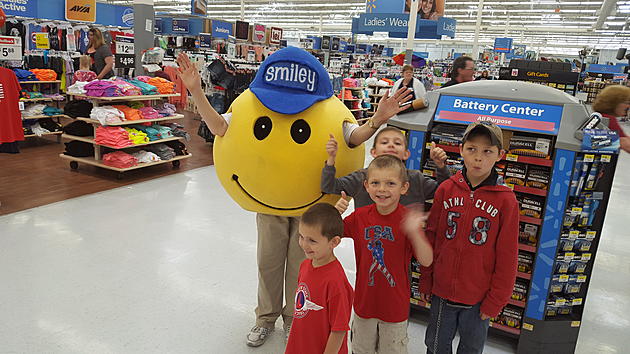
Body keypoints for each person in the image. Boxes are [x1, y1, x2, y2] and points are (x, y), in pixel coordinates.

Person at [176, 50, 413, 348]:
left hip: (310, 208)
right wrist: (196, 90)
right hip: (268, 202)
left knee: (304, 264)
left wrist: (377, 119)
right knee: (269, 262)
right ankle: (266, 317)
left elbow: (354, 136)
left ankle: (293, 317)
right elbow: (219, 127)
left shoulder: (330, 110)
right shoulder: (250, 105)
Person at [420, 121, 519, 354]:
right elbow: (432, 238)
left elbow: (508, 256)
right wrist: (426, 278)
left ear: (500, 155)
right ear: (461, 149)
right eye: (472, 149)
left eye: (488, 151)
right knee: (435, 345)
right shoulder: (446, 189)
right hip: (442, 292)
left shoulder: (506, 201)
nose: (478, 158)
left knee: (471, 348)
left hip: (479, 299)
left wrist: (497, 299)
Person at [338, 155, 434, 354]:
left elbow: (427, 260)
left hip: (395, 308)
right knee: (360, 350)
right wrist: (335, 213)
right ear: (366, 186)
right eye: (375, 183)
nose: (382, 189)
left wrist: (415, 233)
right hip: (364, 305)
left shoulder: (408, 219)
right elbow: (330, 234)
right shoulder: (359, 217)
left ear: (404, 187)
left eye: (390, 183)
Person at [323, 126, 448, 212]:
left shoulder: (416, 179)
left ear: (406, 154)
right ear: (374, 152)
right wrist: (331, 158)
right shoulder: (361, 177)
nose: (391, 145)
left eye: (397, 143)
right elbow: (329, 186)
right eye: (384, 142)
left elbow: (445, 193)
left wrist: (440, 166)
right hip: (368, 245)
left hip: (406, 247)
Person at [285, 203, 354, 354]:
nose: (304, 244)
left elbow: (339, 330)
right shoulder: (305, 265)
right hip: (300, 344)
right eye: (301, 237)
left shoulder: (335, 282)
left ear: (334, 242)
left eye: (312, 241)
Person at [592, 85, 630, 153]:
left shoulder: (600, 116)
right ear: (614, 102)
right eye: (626, 102)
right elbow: (626, 144)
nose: (628, 106)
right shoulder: (608, 120)